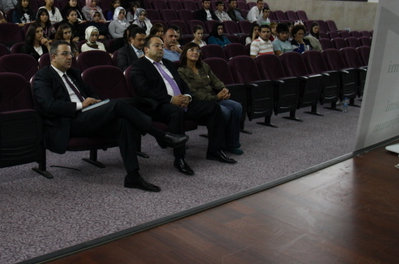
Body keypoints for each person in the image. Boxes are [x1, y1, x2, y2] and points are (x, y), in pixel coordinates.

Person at [32, 40, 188, 192]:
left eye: (71, 54)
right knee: (118, 104)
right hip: (68, 121)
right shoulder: (42, 77)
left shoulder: (74, 73)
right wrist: (81, 105)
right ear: (53, 57)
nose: (69, 57)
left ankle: (133, 176)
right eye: (65, 54)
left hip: (88, 114)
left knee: (123, 122)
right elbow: (49, 105)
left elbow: (91, 92)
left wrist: (95, 102)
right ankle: (161, 135)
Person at [131, 36, 235, 176]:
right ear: (146, 49)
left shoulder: (168, 63)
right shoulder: (138, 66)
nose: (161, 48)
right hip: (159, 106)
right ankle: (180, 158)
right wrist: (170, 99)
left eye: (162, 45)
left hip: (181, 101)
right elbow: (144, 90)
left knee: (213, 107)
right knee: (176, 112)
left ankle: (215, 150)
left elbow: (182, 84)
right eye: (157, 45)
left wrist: (187, 96)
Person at [178, 42, 243, 155]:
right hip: (200, 101)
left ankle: (232, 143)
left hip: (213, 97)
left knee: (237, 107)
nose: (195, 52)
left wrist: (223, 89)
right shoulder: (181, 71)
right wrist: (216, 97)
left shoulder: (204, 66)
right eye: (192, 50)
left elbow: (215, 81)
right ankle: (221, 142)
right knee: (225, 111)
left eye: (197, 50)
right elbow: (192, 92)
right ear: (185, 53)